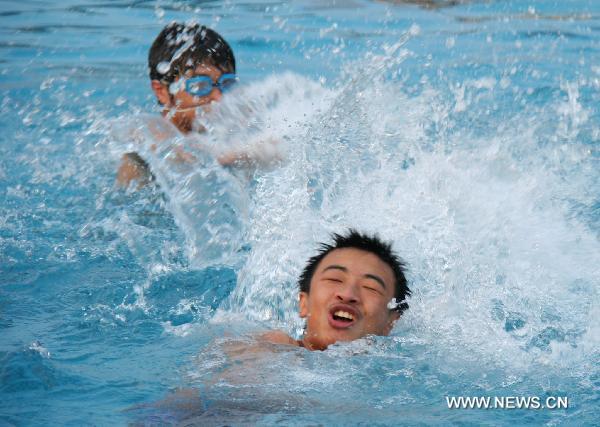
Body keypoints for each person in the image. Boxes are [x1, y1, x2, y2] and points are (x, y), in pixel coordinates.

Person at [117, 22, 271, 187]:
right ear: (161, 91)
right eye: (200, 86)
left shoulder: (235, 131)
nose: (219, 98)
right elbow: (145, 134)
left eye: (226, 84)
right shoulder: (142, 153)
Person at [263, 229, 411, 350]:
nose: (348, 294)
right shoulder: (274, 348)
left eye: (370, 287)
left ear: (390, 323)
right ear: (304, 304)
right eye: (334, 279)